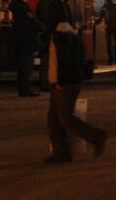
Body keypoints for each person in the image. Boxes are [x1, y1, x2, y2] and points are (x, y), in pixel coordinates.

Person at [44, 20, 108, 163]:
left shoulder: (59, 40)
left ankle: (96, 136)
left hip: (63, 84)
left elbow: (60, 63)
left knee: (65, 118)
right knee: (54, 120)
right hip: (68, 82)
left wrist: (59, 82)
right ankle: (61, 153)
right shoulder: (72, 37)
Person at [9, 0, 45, 97]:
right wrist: (43, 28)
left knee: (23, 67)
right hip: (26, 41)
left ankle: (23, 89)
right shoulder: (22, 8)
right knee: (26, 67)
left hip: (21, 40)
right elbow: (31, 21)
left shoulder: (17, 7)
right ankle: (25, 89)